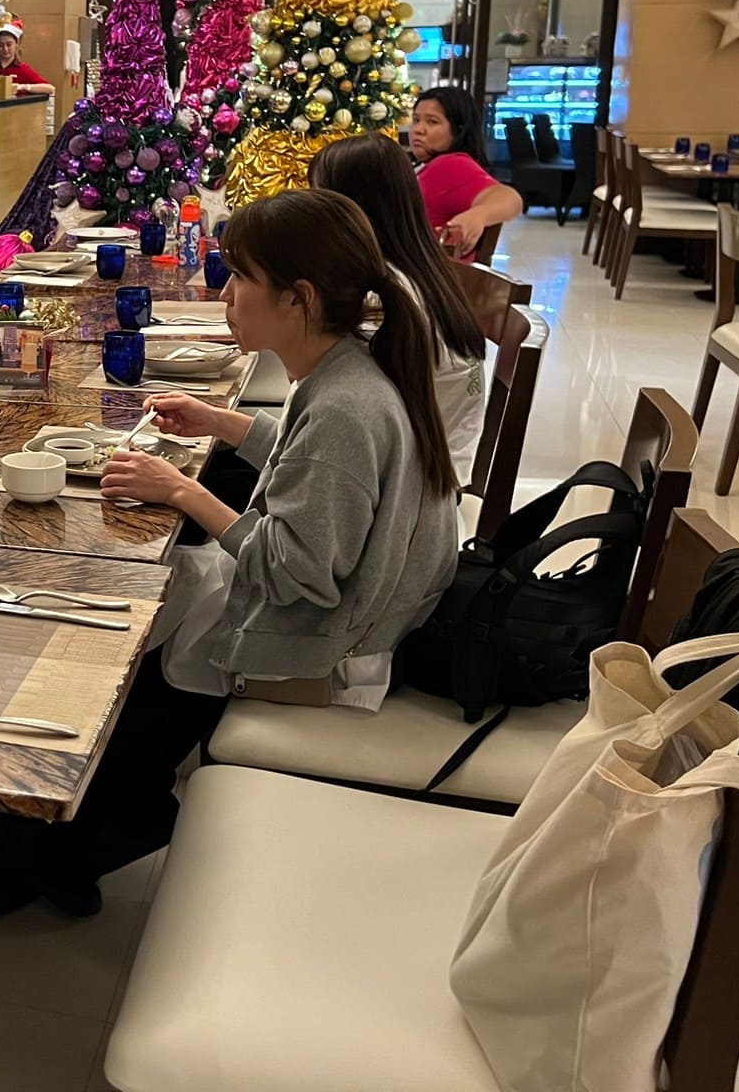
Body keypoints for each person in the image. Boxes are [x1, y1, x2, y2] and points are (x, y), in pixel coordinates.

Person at [43, 189, 459, 912]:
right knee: (165, 590)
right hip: (362, 613)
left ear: (299, 299)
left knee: (145, 628)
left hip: (332, 649)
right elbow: (316, 475)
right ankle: (103, 805)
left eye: (241, 278)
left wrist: (182, 490)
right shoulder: (348, 368)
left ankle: (94, 832)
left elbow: (295, 572)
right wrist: (222, 423)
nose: (226, 294)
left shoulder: (344, 407)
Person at [310, 134, 488, 474]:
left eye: (320, 199)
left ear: (351, 209)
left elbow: (337, 408)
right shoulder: (422, 268)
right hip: (431, 465)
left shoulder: (381, 297)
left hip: (407, 483)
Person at [409, 86, 522, 263]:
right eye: (416, 120)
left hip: (428, 274)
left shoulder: (450, 165)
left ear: (458, 130)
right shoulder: (432, 165)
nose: (418, 129)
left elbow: (511, 198)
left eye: (432, 122)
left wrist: (479, 215)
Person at [0, 19, 53, 96]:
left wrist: (22, 87)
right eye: (1, 45)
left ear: (16, 44)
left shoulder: (23, 69)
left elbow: (50, 88)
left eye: (9, 45)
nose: (5, 49)